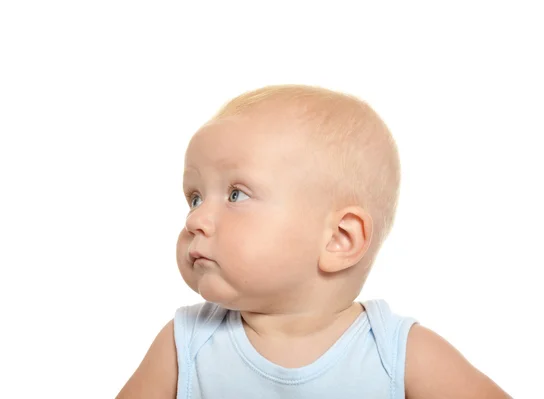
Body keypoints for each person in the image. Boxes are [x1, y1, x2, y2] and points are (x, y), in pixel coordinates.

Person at [117, 85, 511, 398]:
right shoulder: (184, 345)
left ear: (339, 238)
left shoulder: (401, 355)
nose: (195, 219)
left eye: (236, 194)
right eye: (195, 197)